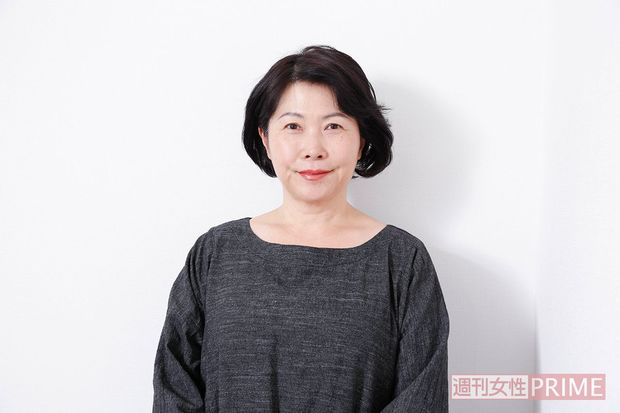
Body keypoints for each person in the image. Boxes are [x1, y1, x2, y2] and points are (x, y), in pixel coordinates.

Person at [152, 45, 450, 412]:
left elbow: (421, 402)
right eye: (293, 126)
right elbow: (174, 388)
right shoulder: (216, 253)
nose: (313, 149)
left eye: (334, 126)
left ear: (362, 140)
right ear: (265, 138)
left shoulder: (402, 262)